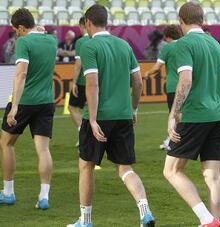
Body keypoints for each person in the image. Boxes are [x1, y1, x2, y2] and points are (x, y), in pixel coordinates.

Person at [66, 5, 155, 227]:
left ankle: (85, 221)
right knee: (125, 169)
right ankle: (145, 211)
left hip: (100, 116)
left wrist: (93, 119)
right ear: (106, 21)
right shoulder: (124, 45)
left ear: (87, 22)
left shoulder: (89, 45)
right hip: (123, 115)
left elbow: (93, 84)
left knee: (86, 165)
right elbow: (138, 83)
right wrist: (133, 109)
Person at [162, 2, 220, 226]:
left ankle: (207, 219)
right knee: (212, 175)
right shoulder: (216, 44)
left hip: (194, 116)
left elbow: (186, 80)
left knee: (171, 171)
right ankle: (214, 221)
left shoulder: (184, 44)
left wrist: (173, 113)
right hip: (218, 115)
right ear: (202, 19)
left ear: (181, 20)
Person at [0, 8, 57, 210]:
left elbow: (21, 74)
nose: (15, 33)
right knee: (43, 149)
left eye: (16, 29)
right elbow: (40, 35)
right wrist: (38, 31)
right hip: (46, 101)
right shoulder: (51, 40)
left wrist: (14, 106)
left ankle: (8, 192)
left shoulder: (23, 42)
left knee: (6, 143)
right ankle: (44, 197)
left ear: (22, 27)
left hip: (25, 101)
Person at [143, 24, 183, 151]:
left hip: (173, 86)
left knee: (174, 114)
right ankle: (170, 139)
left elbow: (157, 67)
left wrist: (147, 73)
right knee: (180, 113)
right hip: (187, 84)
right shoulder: (185, 45)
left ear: (166, 36)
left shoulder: (167, 48)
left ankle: (181, 138)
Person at [69, 17, 88, 148]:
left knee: (72, 107)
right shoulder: (100, 40)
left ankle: (83, 133)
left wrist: (73, 81)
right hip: (99, 81)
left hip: (83, 81)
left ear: (83, 26)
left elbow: (78, 63)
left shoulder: (81, 41)